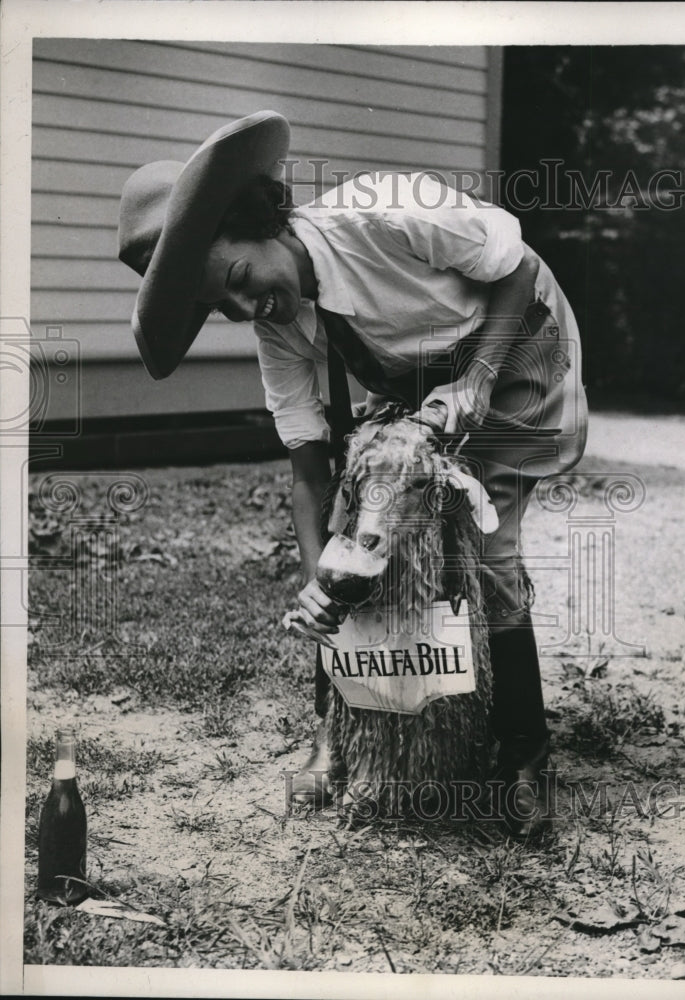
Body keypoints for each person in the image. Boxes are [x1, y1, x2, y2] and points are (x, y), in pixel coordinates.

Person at [118, 112, 588, 837]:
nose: (246, 308)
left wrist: (475, 381)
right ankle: (333, 734)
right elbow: (308, 466)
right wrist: (320, 583)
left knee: (488, 551)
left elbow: (517, 268)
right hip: (414, 378)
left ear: (260, 222)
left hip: (515, 344)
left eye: (239, 278)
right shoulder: (278, 325)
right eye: (222, 306)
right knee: (356, 529)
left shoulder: (385, 211)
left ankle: (524, 752)